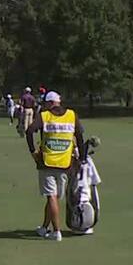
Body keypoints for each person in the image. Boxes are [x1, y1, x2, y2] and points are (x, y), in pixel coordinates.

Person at [24, 91, 86, 242]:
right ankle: (45, 227)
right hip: (66, 163)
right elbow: (80, 136)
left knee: (51, 197)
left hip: (47, 163)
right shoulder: (72, 115)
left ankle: (56, 231)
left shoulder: (45, 116)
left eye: (46, 103)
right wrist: (82, 157)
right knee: (53, 198)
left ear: (50, 103)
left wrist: (33, 151)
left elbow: (30, 131)